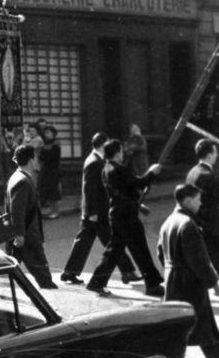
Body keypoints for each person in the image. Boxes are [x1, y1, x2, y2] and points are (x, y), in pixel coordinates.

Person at [85, 139, 164, 297]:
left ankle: (96, 282)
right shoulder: (119, 169)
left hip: (117, 213)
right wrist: (152, 173)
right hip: (127, 216)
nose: (122, 154)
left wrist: (138, 205)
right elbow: (138, 184)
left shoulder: (106, 168)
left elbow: (122, 190)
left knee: (113, 250)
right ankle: (152, 285)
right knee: (140, 249)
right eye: (121, 150)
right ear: (116, 152)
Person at [61, 132, 138, 285]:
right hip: (97, 212)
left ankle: (70, 272)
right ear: (103, 145)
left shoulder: (96, 159)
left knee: (85, 242)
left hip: (95, 212)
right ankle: (127, 271)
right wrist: (93, 212)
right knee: (113, 241)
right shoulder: (94, 162)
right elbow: (89, 189)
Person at [158, 184, 219, 358]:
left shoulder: (169, 221)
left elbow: (161, 253)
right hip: (189, 285)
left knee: (182, 330)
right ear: (188, 200)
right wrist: (213, 282)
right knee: (203, 328)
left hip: (174, 283)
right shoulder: (188, 224)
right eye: (198, 199)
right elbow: (199, 260)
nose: (200, 203)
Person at [5, 144, 56, 289]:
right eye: (36, 157)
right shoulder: (22, 181)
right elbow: (17, 210)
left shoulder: (17, 177)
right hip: (27, 234)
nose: (37, 160)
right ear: (30, 159)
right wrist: (20, 234)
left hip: (23, 233)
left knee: (12, 267)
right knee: (42, 271)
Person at [184, 138, 219, 272]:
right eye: (215, 153)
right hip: (210, 222)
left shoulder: (193, 171)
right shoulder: (208, 175)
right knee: (214, 254)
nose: (217, 155)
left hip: (198, 220)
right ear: (209, 155)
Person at [38, 125, 62, 219]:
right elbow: (41, 157)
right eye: (46, 132)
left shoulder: (56, 143)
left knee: (54, 191)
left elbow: (54, 157)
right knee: (48, 190)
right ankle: (52, 210)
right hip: (47, 169)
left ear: (53, 134)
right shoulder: (45, 143)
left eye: (49, 132)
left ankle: (56, 211)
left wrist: (45, 155)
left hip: (54, 169)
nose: (47, 134)